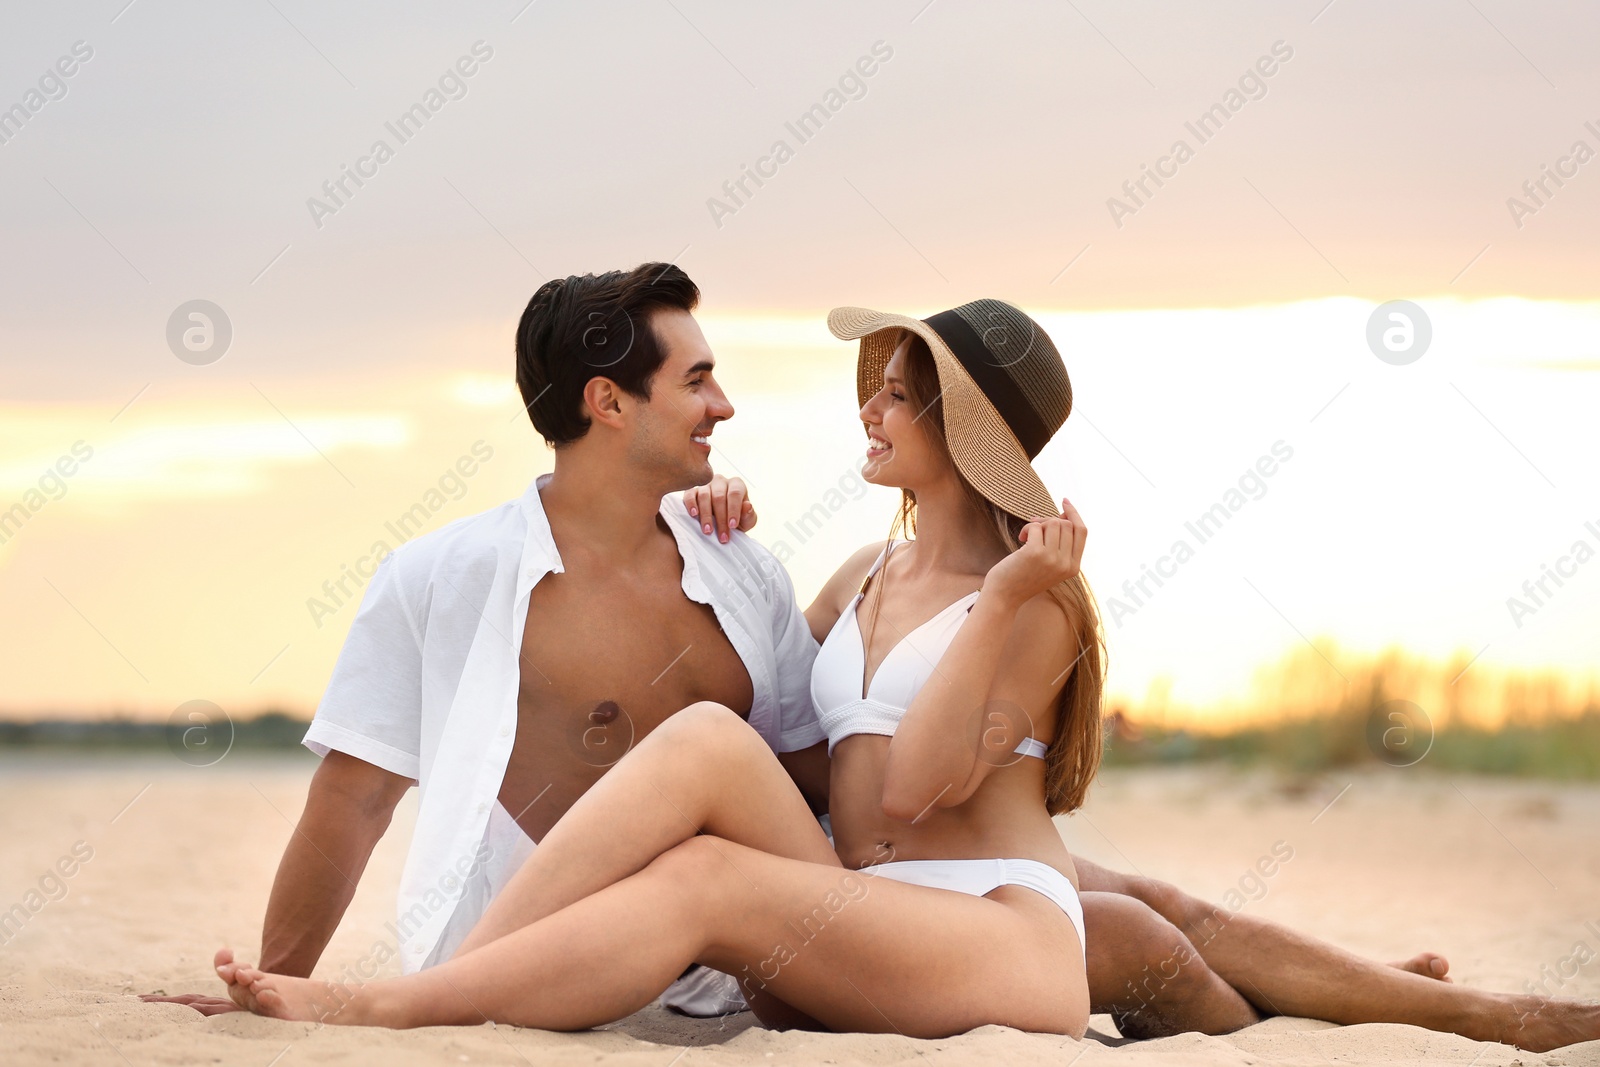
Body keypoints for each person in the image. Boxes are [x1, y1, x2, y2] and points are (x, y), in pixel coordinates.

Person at [153, 269, 1598, 1049]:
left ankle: (1452, 1011)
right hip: (882, 905)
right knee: (1139, 914)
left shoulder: (1032, 601)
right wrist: (697, 524)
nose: (866, 404)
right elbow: (798, 766)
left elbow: (906, 783)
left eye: (899, 392)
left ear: (964, 428)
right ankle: (1364, 994)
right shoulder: (848, 571)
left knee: (1133, 927)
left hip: (978, 920)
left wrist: (1013, 605)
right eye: (878, 383)